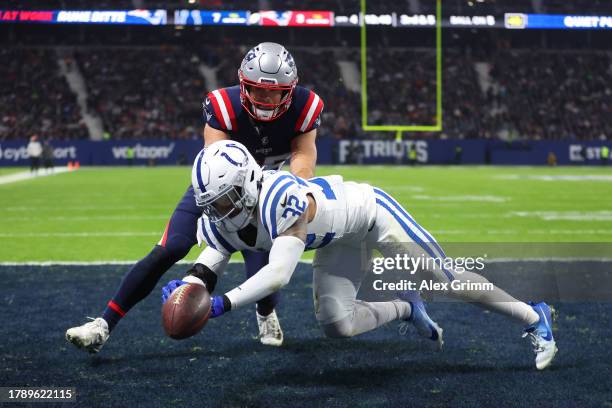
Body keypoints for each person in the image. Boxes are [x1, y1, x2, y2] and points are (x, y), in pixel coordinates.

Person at [163, 140, 558, 370]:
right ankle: (407, 308)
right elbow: (210, 261)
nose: (219, 211)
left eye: (226, 199)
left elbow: (279, 273)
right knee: (338, 325)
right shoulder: (223, 214)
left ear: (248, 180)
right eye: (211, 204)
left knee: (444, 279)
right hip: (336, 240)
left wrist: (219, 305)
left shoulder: (279, 196)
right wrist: (189, 287)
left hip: (371, 215)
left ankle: (533, 315)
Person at [66, 42, 323, 352]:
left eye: (275, 91)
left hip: (266, 190)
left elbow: (303, 155)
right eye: (257, 90)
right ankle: (103, 324)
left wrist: (296, 186)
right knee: (170, 247)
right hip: (219, 187)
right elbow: (214, 160)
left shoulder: (305, 106)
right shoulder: (222, 105)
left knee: (262, 267)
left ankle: (266, 313)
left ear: (290, 90)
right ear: (244, 85)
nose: (266, 98)